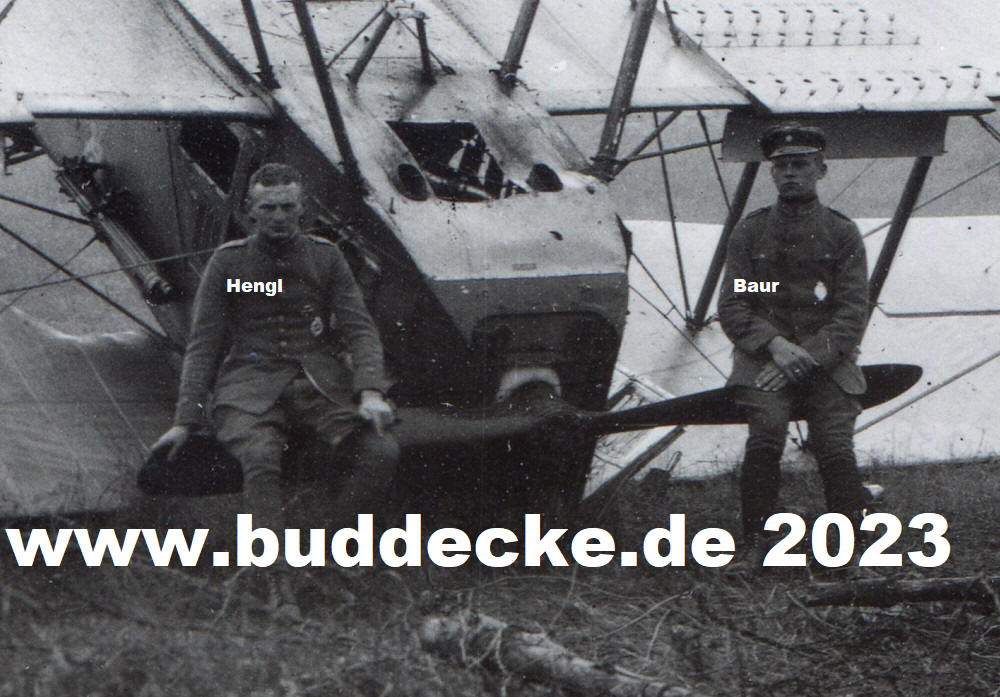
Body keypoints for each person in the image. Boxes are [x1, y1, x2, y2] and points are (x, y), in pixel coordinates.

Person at [151, 163, 398, 615]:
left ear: (303, 210)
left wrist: (370, 391)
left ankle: (329, 560)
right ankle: (275, 578)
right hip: (249, 386)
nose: (279, 217)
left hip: (316, 385)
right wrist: (185, 420)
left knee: (380, 450)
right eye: (268, 208)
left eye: (288, 207)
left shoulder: (326, 258)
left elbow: (360, 328)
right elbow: (204, 344)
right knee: (261, 456)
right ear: (250, 211)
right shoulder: (228, 263)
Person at [717, 123, 870, 565]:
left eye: (800, 165)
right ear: (772, 173)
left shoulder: (842, 233)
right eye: (781, 166)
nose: (790, 173)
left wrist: (808, 356)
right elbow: (735, 304)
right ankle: (758, 544)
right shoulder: (750, 233)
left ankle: (847, 549)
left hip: (827, 358)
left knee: (835, 440)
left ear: (821, 170)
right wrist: (776, 346)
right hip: (764, 357)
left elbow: (851, 312)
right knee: (766, 432)